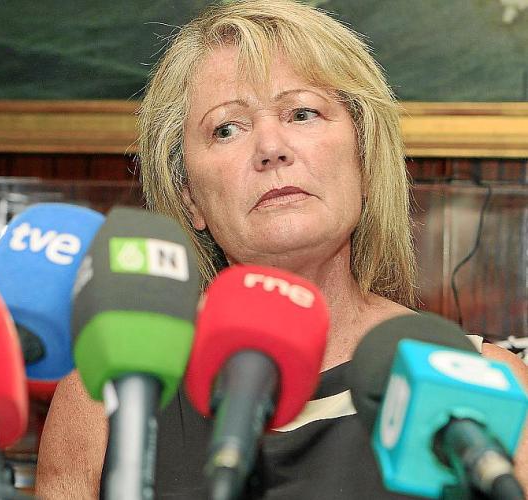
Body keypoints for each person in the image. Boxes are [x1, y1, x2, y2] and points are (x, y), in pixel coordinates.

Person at [36, 1, 528, 498]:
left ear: (363, 159)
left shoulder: (485, 385)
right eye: (226, 128)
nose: (271, 147)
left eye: (302, 113)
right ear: (190, 198)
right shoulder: (108, 396)